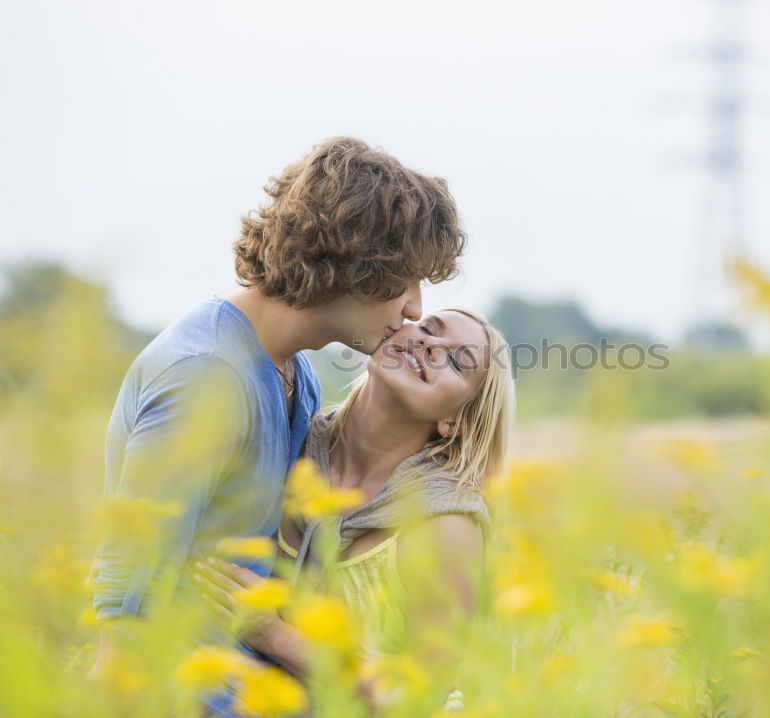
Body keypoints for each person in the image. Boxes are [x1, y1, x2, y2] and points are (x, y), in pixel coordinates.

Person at [89, 138, 467, 668]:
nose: (413, 308)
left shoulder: (299, 374)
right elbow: (127, 591)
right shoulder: (206, 373)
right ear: (356, 260)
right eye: (404, 280)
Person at [195, 307, 515, 715]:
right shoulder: (289, 439)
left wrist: (273, 635)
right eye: (429, 327)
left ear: (455, 421)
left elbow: (419, 698)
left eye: (456, 360)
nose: (430, 343)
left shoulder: (445, 525)